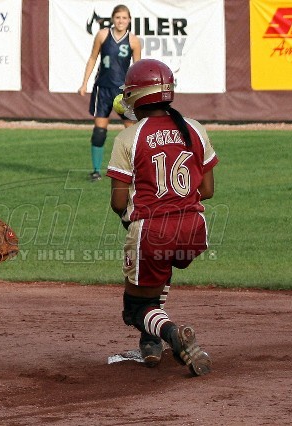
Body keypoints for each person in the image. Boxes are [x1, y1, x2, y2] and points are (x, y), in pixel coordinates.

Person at [106, 59, 218, 375]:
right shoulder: (194, 128)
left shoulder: (129, 138)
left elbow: (118, 202)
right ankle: (152, 341)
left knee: (135, 309)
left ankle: (172, 334)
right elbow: (207, 190)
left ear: (135, 96)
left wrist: (136, 213)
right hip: (194, 228)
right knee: (161, 269)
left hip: (153, 230)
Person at [78, 4, 141, 182]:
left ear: (129, 20)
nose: (121, 21)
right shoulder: (102, 35)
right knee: (99, 132)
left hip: (123, 92)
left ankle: (135, 171)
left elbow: (137, 67)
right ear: (113, 18)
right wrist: (84, 83)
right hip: (103, 88)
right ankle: (96, 171)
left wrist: (138, 90)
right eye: (118, 17)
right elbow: (93, 58)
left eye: (124, 18)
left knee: (131, 132)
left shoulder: (134, 41)